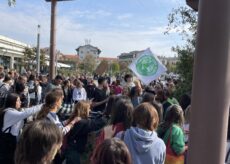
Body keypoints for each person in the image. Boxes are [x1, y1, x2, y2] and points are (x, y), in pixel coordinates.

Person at [0, 93, 43, 164]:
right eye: (18, 101)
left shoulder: (12, 111)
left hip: (10, 141)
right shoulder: (9, 112)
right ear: (12, 102)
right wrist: (42, 105)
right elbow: (25, 113)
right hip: (7, 142)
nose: (20, 102)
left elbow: (26, 112)